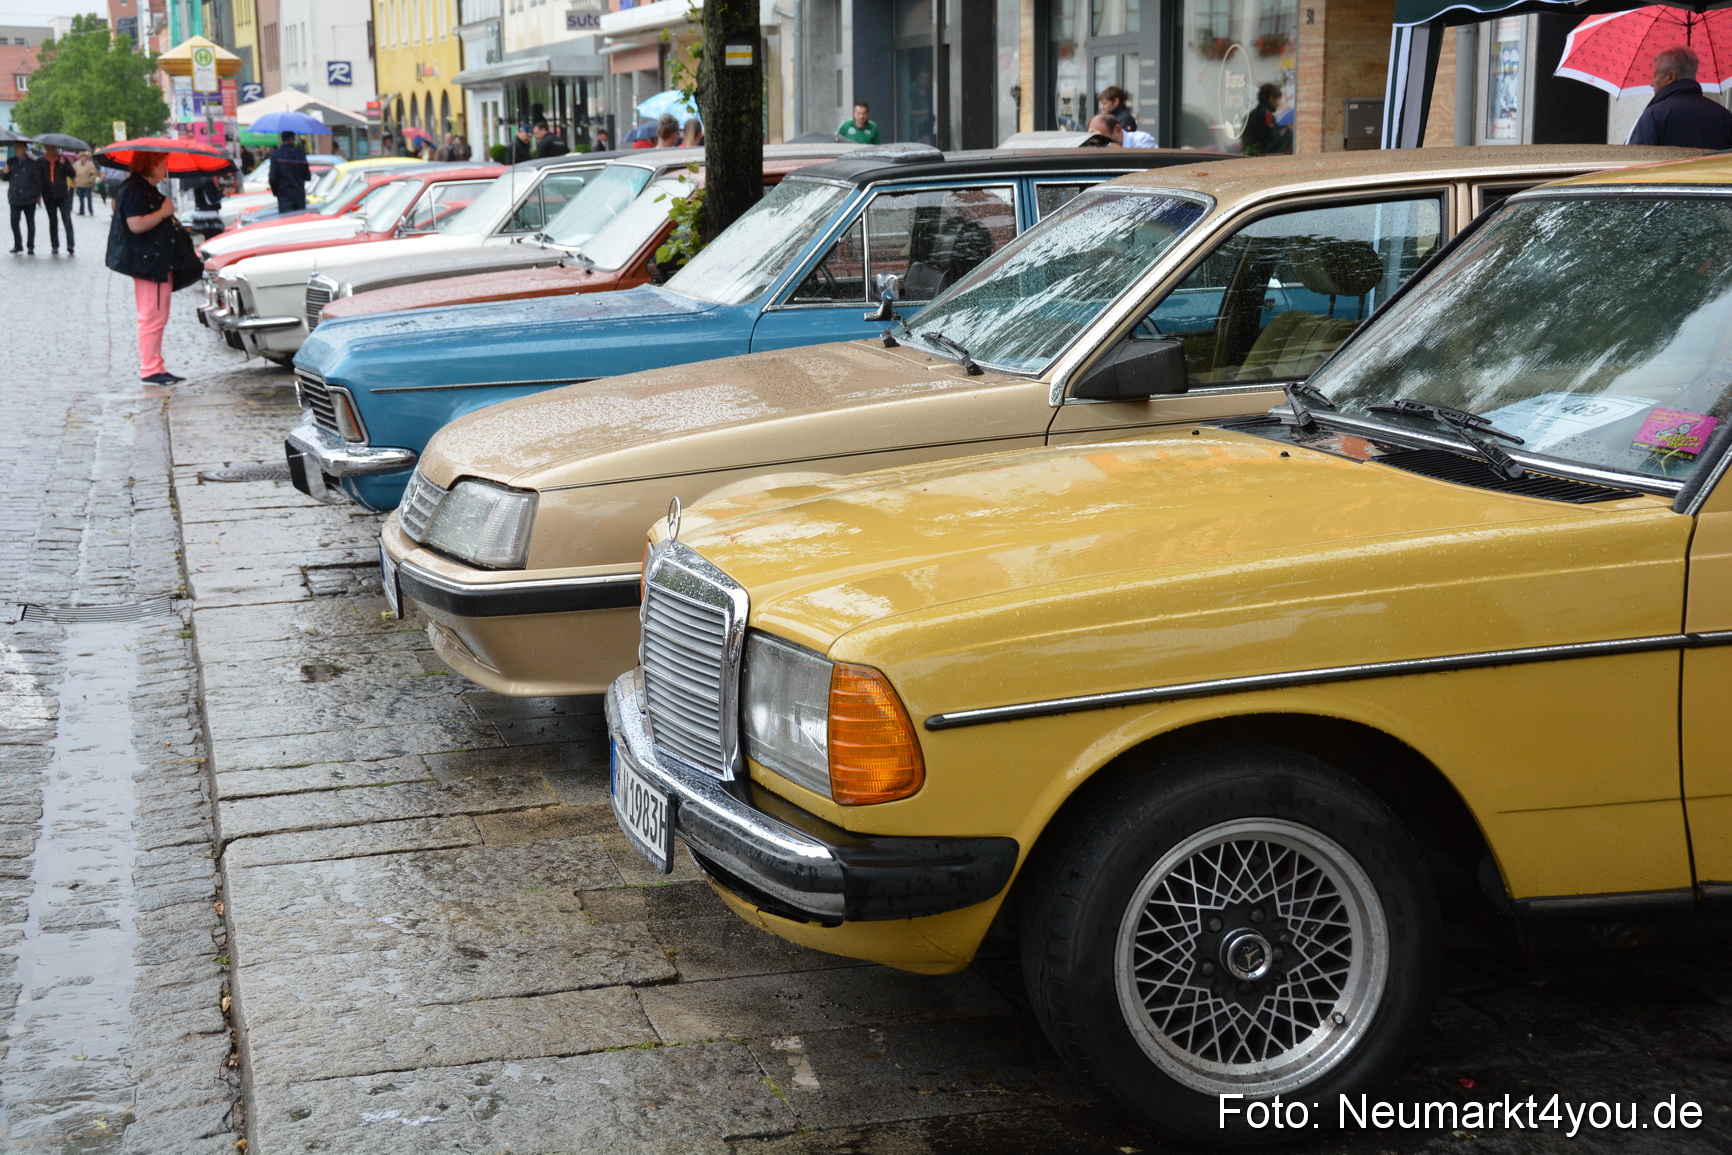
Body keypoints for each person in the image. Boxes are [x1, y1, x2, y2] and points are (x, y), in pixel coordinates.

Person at [106, 151, 184, 385]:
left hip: (154, 261)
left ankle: (156, 365)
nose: (165, 168)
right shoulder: (135, 189)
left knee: (157, 316)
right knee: (151, 316)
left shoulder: (143, 188)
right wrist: (163, 212)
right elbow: (136, 224)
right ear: (151, 164)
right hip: (149, 263)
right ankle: (150, 369)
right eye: (162, 163)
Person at [1628, 46, 1732, 149]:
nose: (1652, 83)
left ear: (1671, 76)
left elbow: (1636, 156)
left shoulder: (1654, 115)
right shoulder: (1725, 116)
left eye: (1655, 75)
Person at [2, 142, 42, 254]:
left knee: (30, 223)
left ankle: (30, 246)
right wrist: (4, 173)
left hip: (29, 198)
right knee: (14, 221)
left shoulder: (32, 163)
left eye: (19, 148)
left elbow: (38, 181)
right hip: (15, 197)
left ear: (24, 149)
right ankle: (18, 244)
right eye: (15, 148)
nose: (16, 150)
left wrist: (32, 194)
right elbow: (5, 178)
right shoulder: (11, 161)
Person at [267, 130, 311, 213]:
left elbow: (273, 177)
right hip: (299, 194)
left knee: (287, 219)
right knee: (300, 218)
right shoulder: (301, 155)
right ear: (293, 139)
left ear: (283, 139)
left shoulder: (276, 155)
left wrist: (276, 192)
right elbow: (308, 177)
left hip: (284, 194)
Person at [1239, 83, 1289, 155]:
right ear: (1271, 99)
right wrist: (1289, 133)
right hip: (1262, 154)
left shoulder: (1252, 114)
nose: (1278, 104)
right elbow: (1275, 141)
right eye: (1277, 100)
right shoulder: (1267, 115)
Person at [73, 151, 98, 216]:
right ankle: (81, 210)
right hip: (79, 184)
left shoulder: (90, 165)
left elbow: (94, 174)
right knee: (80, 198)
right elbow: (73, 173)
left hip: (88, 184)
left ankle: (90, 210)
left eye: (84, 157)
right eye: (81, 157)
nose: (82, 158)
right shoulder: (76, 164)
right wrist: (75, 180)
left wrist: (89, 180)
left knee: (89, 198)